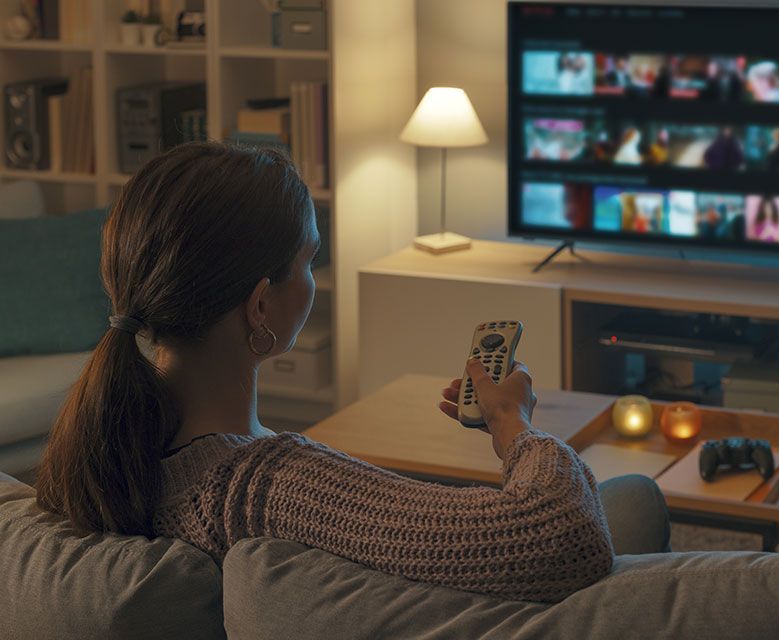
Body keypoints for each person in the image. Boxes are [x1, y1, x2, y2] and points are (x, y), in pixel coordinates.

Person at [33, 142, 663, 604]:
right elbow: (561, 538)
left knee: (625, 498)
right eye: (309, 261)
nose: (313, 279)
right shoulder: (265, 487)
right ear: (259, 307)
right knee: (632, 499)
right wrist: (511, 424)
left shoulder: (99, 449)